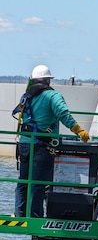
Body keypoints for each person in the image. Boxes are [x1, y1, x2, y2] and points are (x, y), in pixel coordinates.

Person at [14, 64, 90, 218]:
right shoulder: (52, 96)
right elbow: (64, 114)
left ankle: (19, 213)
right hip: (42, 145)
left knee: (23, 181)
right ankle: (35, 217)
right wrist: (79, 131)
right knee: (38, 183)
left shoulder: (26, 96)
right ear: (48, 80)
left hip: (24, 143)